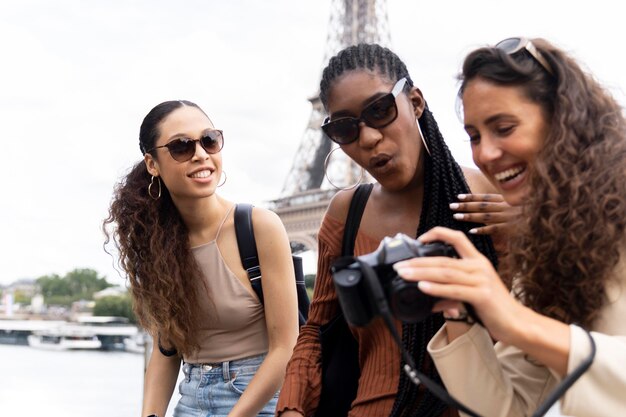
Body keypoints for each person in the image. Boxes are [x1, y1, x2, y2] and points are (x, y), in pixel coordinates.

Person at [394, 37, 626, 416]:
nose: (484, 153)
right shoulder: (544, 251)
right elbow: (507, 409)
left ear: (561, 118)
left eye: (503, 127)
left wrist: (516, 321)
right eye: (474, 136)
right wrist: (459, 313)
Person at [276, 43, 501, 417]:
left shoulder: (488, 197)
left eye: (380, 110)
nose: (367, 138)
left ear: (415, 102)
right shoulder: (346, 213)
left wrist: (528, 225)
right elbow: (316, 330)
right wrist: (291, 409)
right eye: (345, 128)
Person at [103, 100, 299, 417]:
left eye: (209, 139)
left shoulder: (260, 226)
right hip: (191, 397)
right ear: (152, 164)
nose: (200, 153)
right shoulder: (154, 242)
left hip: (261, 399)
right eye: (181, 146)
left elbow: (284, 348)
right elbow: (166, 350)